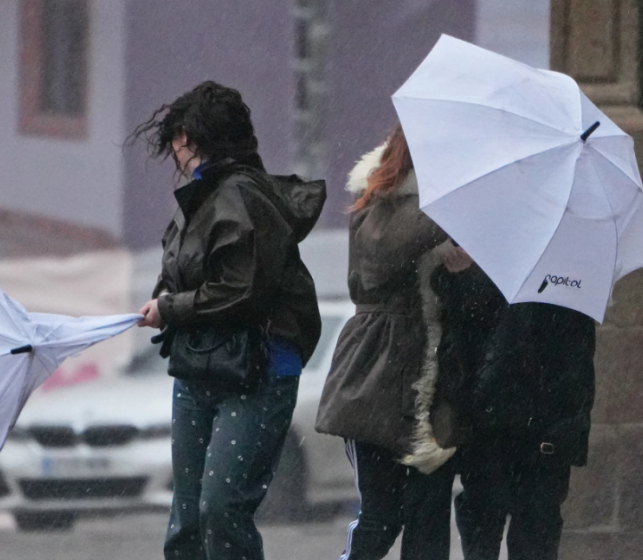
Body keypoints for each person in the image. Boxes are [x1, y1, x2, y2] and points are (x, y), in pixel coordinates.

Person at [132, 81, 324, 560]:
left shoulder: (242, 195)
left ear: (200, 139)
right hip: (200, 368)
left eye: (182, 137)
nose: (176, 150)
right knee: (188, 521)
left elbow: (241, 290)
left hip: (257, 372)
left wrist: (170, 309)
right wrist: (163, 296)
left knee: (220, 510)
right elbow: (181, 274)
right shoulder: (197, 200)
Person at [315, 124, 472, 560]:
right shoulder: (378, 199)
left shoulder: (446, 213)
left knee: (428, 519)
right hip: (377, 375)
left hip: (433, 381)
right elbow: (381, 259)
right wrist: (448, 220)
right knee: (382, 515)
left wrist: (457, 268)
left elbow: (464, 305)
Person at [453, 302, 596, 560]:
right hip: (500, 429)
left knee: (522, 528)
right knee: (490, 525)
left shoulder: (568, 299)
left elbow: (577, 374)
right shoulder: (570, 295)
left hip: (527, 432)